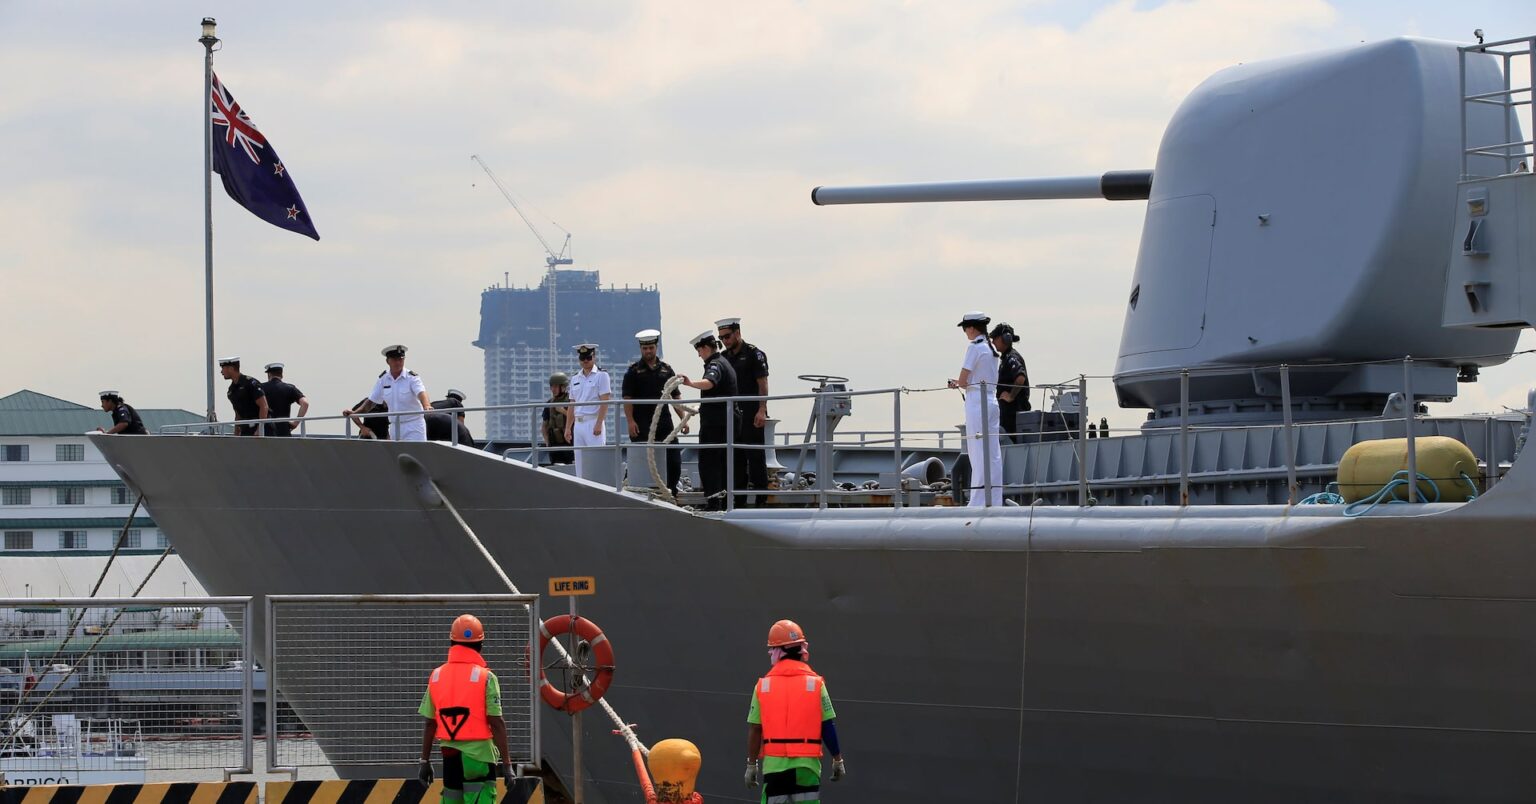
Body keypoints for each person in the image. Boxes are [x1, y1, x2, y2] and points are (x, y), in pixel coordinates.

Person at [417, 614, 515, 804]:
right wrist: (507, 764)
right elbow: (496, 722)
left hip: (450, 756)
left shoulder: (436, 676)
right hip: (479, 758)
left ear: (452, 642)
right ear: (480, 645)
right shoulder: (487, 678)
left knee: (452, 799)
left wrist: (424, 761)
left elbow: (430, 723)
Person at [745, 619, 846, 804]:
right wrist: (837, 759)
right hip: (807, 768)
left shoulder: (763, 686)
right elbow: (827, 726)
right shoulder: (816, 684)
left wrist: (752, 764)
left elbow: (755, 729)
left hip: (775, 769)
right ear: (800, 649)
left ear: (777, 651)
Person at [622, 329, 688, 496]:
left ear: (656, 347)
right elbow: (627, 399)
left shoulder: (667, 370)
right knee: (641, 461)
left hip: (664, 422)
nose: (648, 351)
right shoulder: (633, 372)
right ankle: (637, 493)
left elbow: (676, 397)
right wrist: (630, 421)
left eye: (651, 348)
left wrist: (683, 420)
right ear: (641, 349)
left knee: (673, 461)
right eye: (645, 348)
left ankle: (671, 493)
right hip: (642, 423)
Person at [947, 312, 1003, 507]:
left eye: (965, 328)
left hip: (977, 403)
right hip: (991, 400)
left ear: (971, 328)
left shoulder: (974, 347)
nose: (965, 332)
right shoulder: (990, 347)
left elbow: (964, 381)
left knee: (977, 452)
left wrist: (956, 383)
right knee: (993, 453)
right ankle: (994, 498)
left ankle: (978, 501)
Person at [680, 330, 739, 511]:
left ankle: (714, 502)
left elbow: (710, 382)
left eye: (699, 350)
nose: (699, 355)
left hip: (716, 424)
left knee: (709, 463)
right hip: (725, 422)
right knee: (723, 463)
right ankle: (725, 501)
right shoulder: (724, 362)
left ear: (706, 348)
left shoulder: (715, 364)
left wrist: (690, 383)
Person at [716, 318, 771, 506]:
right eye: (721, 338)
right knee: (735, 457)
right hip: (733, 414)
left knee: (755, 456)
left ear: (737, 333)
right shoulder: (723, 358)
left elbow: (762, 383)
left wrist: (762, 409)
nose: (725, 341)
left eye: (727, 336)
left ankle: (761, 499)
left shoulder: (754, 354)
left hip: (751, 411)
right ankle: (738, 500)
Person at [344, 345, 431, 442]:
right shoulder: (383, 379)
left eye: (400, 359)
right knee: (395, 452)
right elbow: (371, 402)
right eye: (394, 359)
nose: (398, 362)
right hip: (394, 427)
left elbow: (421, 392)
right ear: (388, 361)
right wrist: (355, 413)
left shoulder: (412, 378)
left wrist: (426, 405)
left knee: (415, 451)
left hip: (413, 425)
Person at [564, 344, 612, 480]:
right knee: (579, 463)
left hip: (593, 422)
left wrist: (599, 423)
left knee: (596, 461)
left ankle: (599, 487)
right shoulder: (575, 378)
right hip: (578, 424)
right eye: (582, 358)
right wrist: (568, 428)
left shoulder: (602, 375)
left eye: (588, 358)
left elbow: (605, 401)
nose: (585, 361)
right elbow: (572, 404)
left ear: (594, 357)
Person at [989, 323, 1030, 444]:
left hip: (1014, 413)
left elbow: (1020, 377)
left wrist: (1011, 396)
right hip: (1008, 413)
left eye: (995, 338)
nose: (993, 342)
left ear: (1004, 338)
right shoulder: (1006, 358)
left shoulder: (1012, 357)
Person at [219, 356, 268, 436]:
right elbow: (238, 414)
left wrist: (260, 429)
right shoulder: (231, 390)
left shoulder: (250, 383)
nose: (221, 372)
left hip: (260, 430)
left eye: (223, 368)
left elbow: (264, 406)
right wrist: (236, 433)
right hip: (246, 430)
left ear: (231, 369)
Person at [261, 363, 310, 437]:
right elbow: (305, 403)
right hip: (284, 431)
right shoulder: (290, 388)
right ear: (281, 374)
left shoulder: (261, 388)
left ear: (269, 374)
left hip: (265, 431)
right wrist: (295, 423)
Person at [541, 373, 574, 464]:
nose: (553, 389)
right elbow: (544, 426)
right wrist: (547, 443)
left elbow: (578, 419)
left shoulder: (571, 402)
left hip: (569, 443)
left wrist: (563, 411)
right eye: (552, 386)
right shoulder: (549, 403)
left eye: (556, 386)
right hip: (554, 444)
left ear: (563, 387)